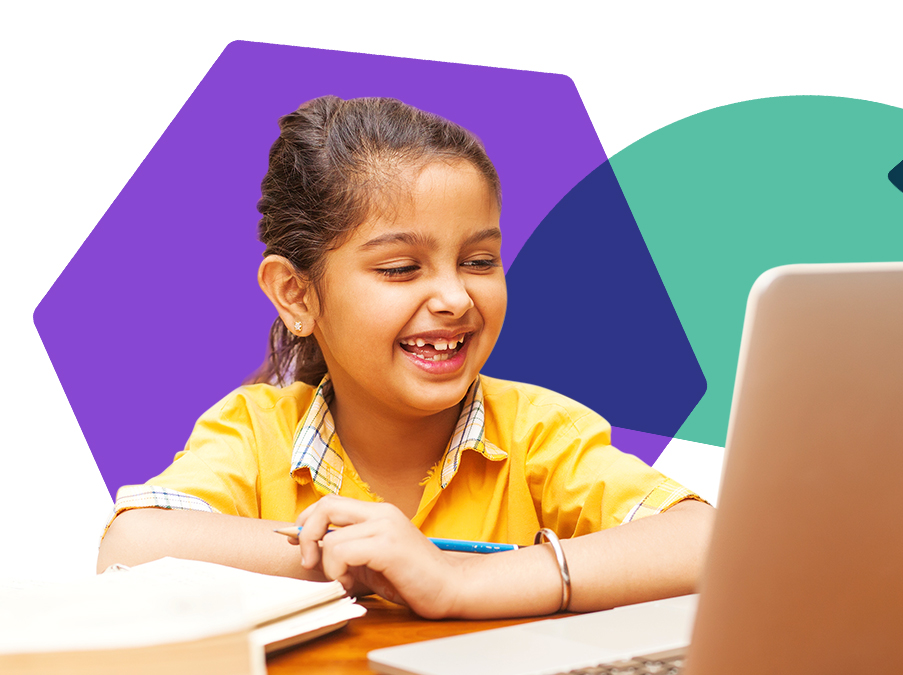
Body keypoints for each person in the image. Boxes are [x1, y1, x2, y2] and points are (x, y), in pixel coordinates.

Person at [97, 95, 714, 620]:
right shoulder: (256, 433)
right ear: (297, 293)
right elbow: (134, 542)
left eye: (479, 261)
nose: (454, 297)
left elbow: (707, 541)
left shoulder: (537, 433)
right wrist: (367, 561)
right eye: (400, 268)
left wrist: (459, 582)